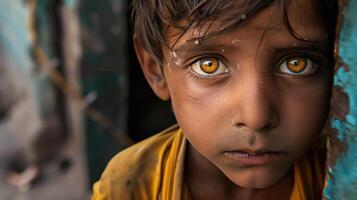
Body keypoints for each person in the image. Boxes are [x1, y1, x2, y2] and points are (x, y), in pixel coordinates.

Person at [92, 0, 337, 199]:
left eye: (297, 64)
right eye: (208, 65)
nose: (256, 117)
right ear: (155, 70)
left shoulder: (342, 174)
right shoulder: (131, 184)